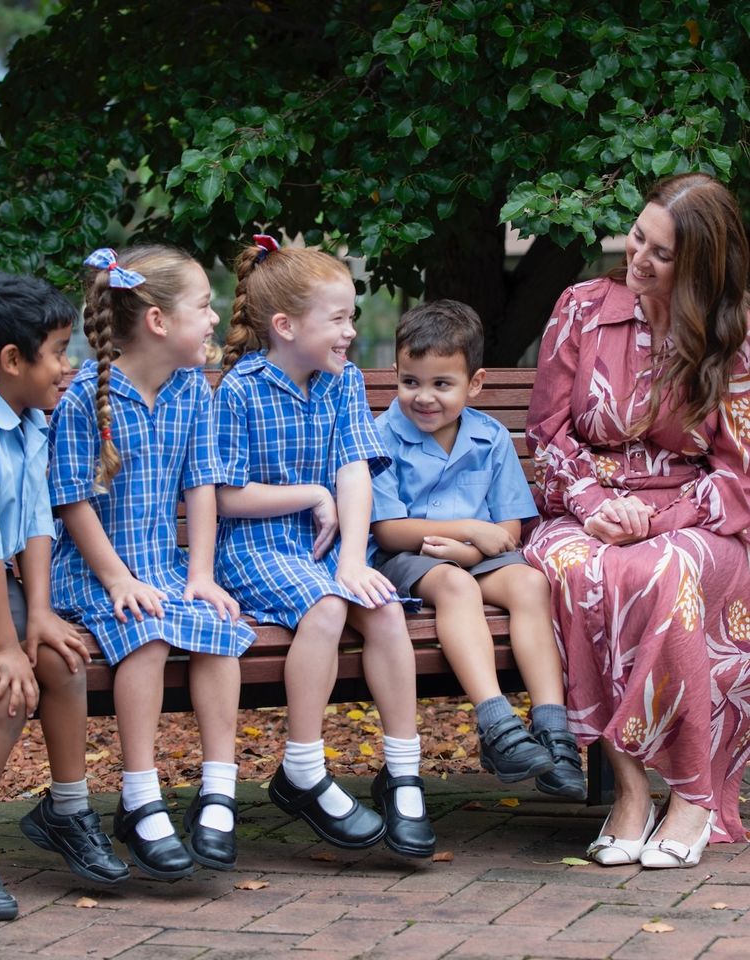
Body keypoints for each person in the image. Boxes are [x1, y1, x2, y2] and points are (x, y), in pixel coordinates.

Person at [523, 172, 750, 869]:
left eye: (661, 253)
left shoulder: (730, 333)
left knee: (668, 571)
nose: (637, 259)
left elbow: (740, 471)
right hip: (585, 510)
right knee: (575, 570)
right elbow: (547, 435)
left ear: (702, 268)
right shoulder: (580, 309)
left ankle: (691, 795)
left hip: (699, 519)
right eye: (638, 237)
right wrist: (593, 506)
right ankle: (629, 793)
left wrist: (659, 520)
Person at [213, 235, 436, 859]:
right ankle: (304, 765)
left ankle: (403, 770)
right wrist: (309, 493)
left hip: (328, 551)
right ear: (285, 327)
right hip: (255, 549)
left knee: (385, 608)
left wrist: (353, 557)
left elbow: (356, 470)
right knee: (329, 607)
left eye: (351, 317)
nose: (349, 331)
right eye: (337, 319)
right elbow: (226, 497)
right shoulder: (239, 391)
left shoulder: (343, 381)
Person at [47, 246, 255, 881]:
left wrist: (201, 573)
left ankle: (218, 787)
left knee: (218, 630)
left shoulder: (194, 388)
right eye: (203, 305)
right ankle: (140, 795)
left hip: (164, 565)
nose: (216, 317)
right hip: (94, 570)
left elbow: (203, 485)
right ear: (160, 321)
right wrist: (117, 579)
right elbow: (71, 501)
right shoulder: (88, 395)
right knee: (148, 633)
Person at [369, 300, 585, 800]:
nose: (423, 397)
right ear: (396, 376)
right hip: (410, 558)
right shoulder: (382, 437)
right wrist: (469, 532)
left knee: (531, 582)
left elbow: (507, 527)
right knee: (453, 584)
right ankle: (496, 724)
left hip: (477, 556)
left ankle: (554, 732)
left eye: (441, 384)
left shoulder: (490, 437)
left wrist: (472, 548)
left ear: (476, 383)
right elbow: (387, 531)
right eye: (410, 382)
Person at [0, 272, 129, 922]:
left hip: (4, 584)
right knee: (6, 692)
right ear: (12, 360)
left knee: (61, 654)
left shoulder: (30, 419)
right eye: (57, 350)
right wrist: (3, 646)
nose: (67, 365)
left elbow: (34, 525)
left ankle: (69, 809)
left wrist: (40, 616)